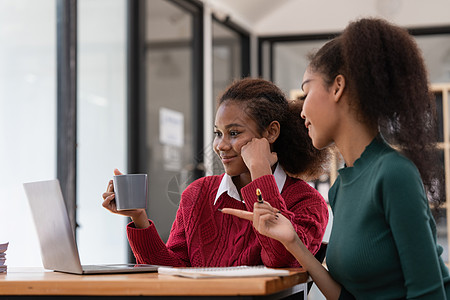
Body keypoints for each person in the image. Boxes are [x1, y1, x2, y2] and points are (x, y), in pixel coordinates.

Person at [222, 18, 450, 299]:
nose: (301, 111)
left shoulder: (393, 174)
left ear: (337, 87)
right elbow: (347, 297)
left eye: (307, 91)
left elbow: (429, 294)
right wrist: (293, 241)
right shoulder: (342, 186)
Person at [101, 78, 329, 268]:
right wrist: (139, 218)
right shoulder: (198, 193)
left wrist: (260, 172)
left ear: (271, 132)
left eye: (234, 133)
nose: (220, 145)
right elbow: (171, 271)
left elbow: (281, 260)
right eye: (218, 133)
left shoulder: (307, 202)